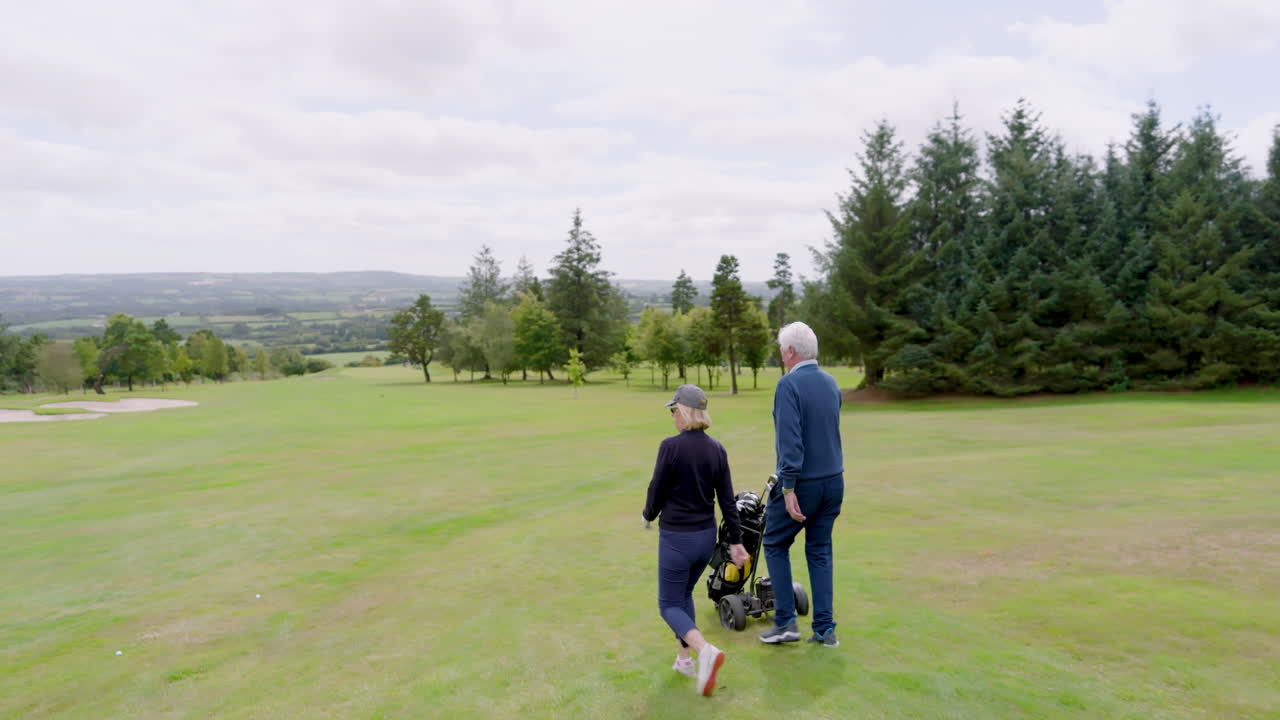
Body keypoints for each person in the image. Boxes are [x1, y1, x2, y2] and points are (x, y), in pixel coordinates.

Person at [643, 384, 749, 697]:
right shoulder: (717, 449)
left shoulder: (670, 447)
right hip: (705, 540)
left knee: (667, 605)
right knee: (684, 593)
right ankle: (684, 659)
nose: (672, 415)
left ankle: (704, 651)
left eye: (674, 409)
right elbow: (728, 501)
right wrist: (736, 541)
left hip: (677, 539)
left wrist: (648, 514)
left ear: (685, 411)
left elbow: (656, 490)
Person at [759, 321, 844, 648]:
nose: (781, 355)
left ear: (791, 351)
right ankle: (824, 629)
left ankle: (785, 622)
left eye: (782, 349)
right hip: (834, 481)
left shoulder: (788, 385)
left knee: (775, 543)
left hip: (803, 483)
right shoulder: (831, 382)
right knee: (819, 549)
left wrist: (789, 487)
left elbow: (791, 442)